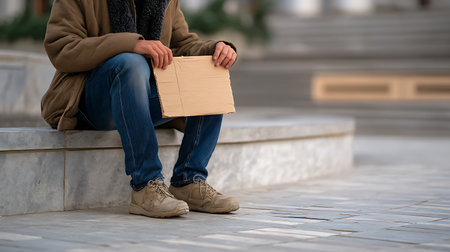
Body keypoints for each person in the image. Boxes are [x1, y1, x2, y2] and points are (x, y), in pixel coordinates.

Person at [41, 0, 239, 218]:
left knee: (208, 69)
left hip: (139, 97)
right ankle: (146, 185)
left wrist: (215, 49)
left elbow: (181, 44)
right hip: (89, 100)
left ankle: (188, 180)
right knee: (131, 62)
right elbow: (62, 48)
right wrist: (131, 44)